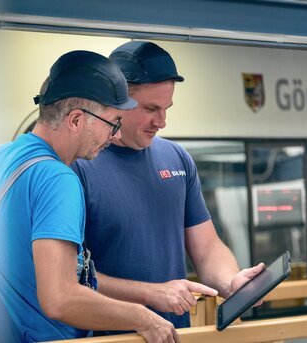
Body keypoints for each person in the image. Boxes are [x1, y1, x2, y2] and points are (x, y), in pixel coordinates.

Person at [0, 50, 180, 343]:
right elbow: (60, 298)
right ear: (75, 120)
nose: (114, 135)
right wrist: (143, 317)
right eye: (112, 122)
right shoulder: (58, 179)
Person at [71, 41, 265, 330]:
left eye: (166, 108)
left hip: (172, 334)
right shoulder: (79, 165)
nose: (161, 121)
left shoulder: (177, 158)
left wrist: (230, 281)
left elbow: (207, 247)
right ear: (117, 101)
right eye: (151, 108)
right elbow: (71, 279)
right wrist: (152, 293)